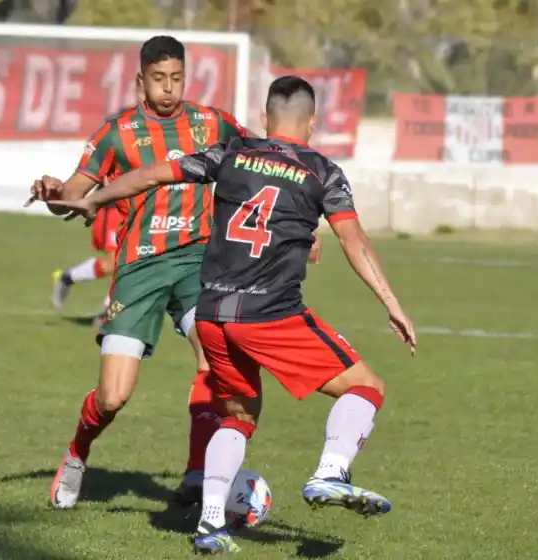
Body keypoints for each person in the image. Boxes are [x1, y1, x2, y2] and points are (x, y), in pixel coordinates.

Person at [45, 75, 417, 555]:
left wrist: (93, 198)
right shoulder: (321, 170)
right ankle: (331, 472)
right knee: (366, 386)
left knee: (239, 415)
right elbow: (354, 240)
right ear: (312, 122)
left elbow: (155, 174)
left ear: (265, 118)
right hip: (270, 313)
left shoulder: (232, 153)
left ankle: (211, 522)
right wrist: (391, 303)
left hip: (214, 312)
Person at [25, 35, 252, 509]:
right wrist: (51, 191)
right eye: (158, 79)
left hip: (197, 262)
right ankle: (76, 453)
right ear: (140, 81)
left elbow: (262, 164)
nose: (168, 89)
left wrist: (300, 227)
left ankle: (196, 473)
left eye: (176, 78)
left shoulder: (213, 123)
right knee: (113, 396)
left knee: (214, 359)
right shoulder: (118, 132)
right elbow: (74, 199)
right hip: (140, 267)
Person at [50, 81, 146, 326]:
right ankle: (69, 281)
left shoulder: (161, 128)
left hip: (140, 207)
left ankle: (105, 311)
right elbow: (99, 161)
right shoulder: (118, 123)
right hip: (113, 206)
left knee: (133, 261)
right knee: (118, 262)